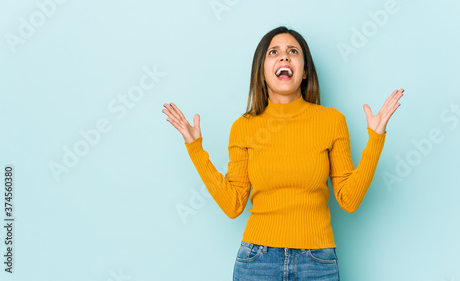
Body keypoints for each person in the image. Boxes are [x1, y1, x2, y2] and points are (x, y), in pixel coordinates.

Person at [162, 26, 403, 280]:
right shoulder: (244, 127)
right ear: (262, 70)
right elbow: (233, 204)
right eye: (274, 52)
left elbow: (349, 200)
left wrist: (376, 140)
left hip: (317, 262)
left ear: (305, 70)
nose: (284, 57)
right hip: (257, 261)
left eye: (293, 52)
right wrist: (195, 149)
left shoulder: (331, 121)